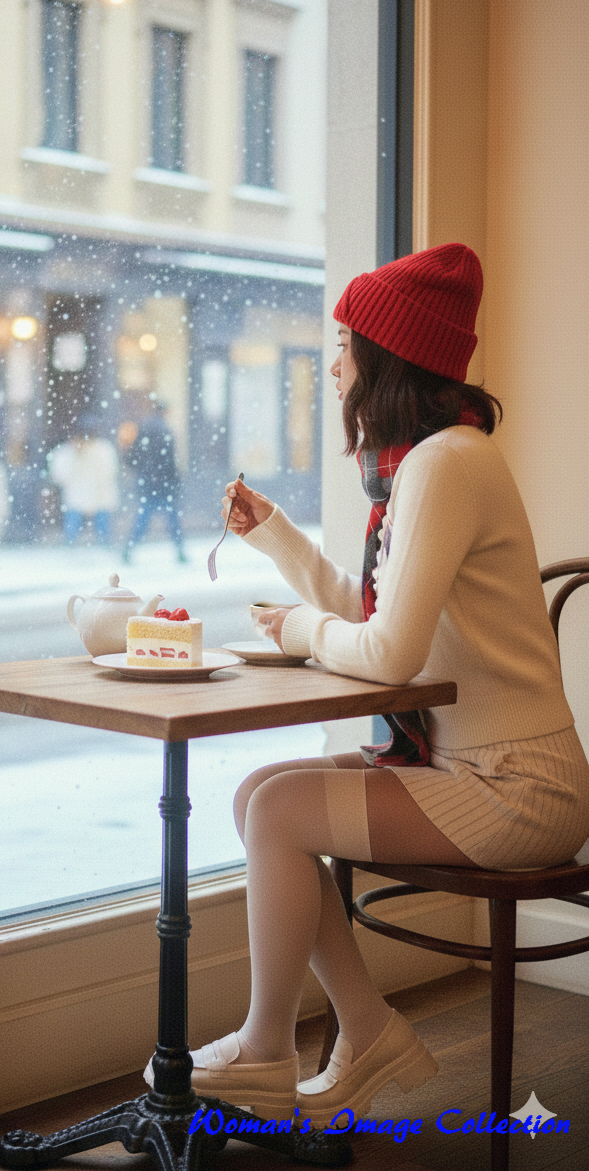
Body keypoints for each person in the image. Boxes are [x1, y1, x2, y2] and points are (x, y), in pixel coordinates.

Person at [144, 244, 589, 1126]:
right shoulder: (434, 459)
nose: (337, 361)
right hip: (478, 769)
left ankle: (270, 1045)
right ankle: (367, 1028)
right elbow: (378, 610)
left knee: (274, 812)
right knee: (258, 795)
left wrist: (308, 633)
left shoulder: (444, 464)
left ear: (387, 358)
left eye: (347, 343)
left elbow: (386, 653)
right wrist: (277, 535)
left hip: (517, 788)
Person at [122, 399, 187, 564]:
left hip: (148, 482)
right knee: (172, 520)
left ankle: (128, 549)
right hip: (164, 483)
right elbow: (169, 461)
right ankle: (180, 552)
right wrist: (174, 482)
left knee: (143, 517)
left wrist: (140, 472)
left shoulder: (143, 428)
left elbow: (134, 456)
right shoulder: (166, 430)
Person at [47, 415, 119, 546]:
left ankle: (103, 545)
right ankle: (71, 545)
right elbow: (59, 475)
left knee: (102, 524)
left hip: (99, 494)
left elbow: (109, 472)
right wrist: (76, 456)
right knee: (73, 523)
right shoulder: (67, 451)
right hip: (77, 496)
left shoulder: (103, 449)